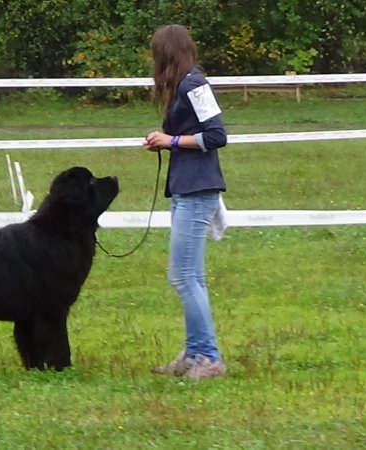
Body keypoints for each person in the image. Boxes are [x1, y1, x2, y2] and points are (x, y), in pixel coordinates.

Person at [142, 24, 228, 380]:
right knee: (191, 276)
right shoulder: (184, 85)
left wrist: (172, 141)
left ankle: (209, 357)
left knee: (183, 276)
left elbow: (216, 135)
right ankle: (195, 353)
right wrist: (165, 141)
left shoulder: (195, 84)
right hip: (184, 189)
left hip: (197, 190)